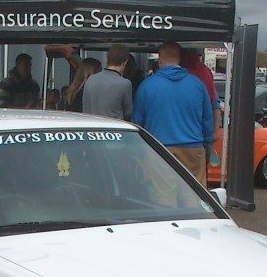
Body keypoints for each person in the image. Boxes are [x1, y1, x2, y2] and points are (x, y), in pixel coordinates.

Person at [131, 41, 214, 185]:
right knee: (194, 195)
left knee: (163, 196)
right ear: (179, 59)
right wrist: (207, 142)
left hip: (159, 148)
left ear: (160, 60)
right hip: (193, 147)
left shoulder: (147, 85)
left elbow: (138, 121)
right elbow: (207, 118)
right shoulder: (197, 84)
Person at [83, 43, 133, 120]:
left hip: (91, 127)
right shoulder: (125, 84)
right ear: (125, 62)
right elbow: (128, 113)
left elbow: (85, 107)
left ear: (107, 59)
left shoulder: (91, 79)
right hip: (113, 129)